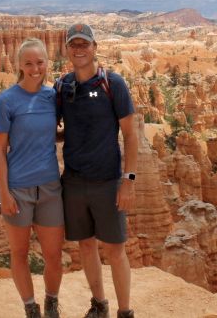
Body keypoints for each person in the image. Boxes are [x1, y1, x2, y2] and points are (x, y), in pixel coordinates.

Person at [57, 23, 138, 318]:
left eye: (84, 44)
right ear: (67, 49)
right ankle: (99, 304)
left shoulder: (112, 84)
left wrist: (128, 181)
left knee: (115, 250)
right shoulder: (63, 87)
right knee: (86, 246)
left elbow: (130, 134)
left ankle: (125, 311)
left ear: (94, 47)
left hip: (107, 181)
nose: (79, 49)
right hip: (75, 182)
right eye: (74, 44)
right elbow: (58, 129)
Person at [0, 38, 64, 318]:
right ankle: (30, 308)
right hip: (18, 189)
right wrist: (4, 194)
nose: (35, 69)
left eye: (40, 62)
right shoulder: (7, 100)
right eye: (29, 64)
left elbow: (54, 133)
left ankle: (52, 304)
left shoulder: (52, 97)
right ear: (20, 66)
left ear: (47, 63)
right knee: (19, 253)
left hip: (49, 187)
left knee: (54, 255)